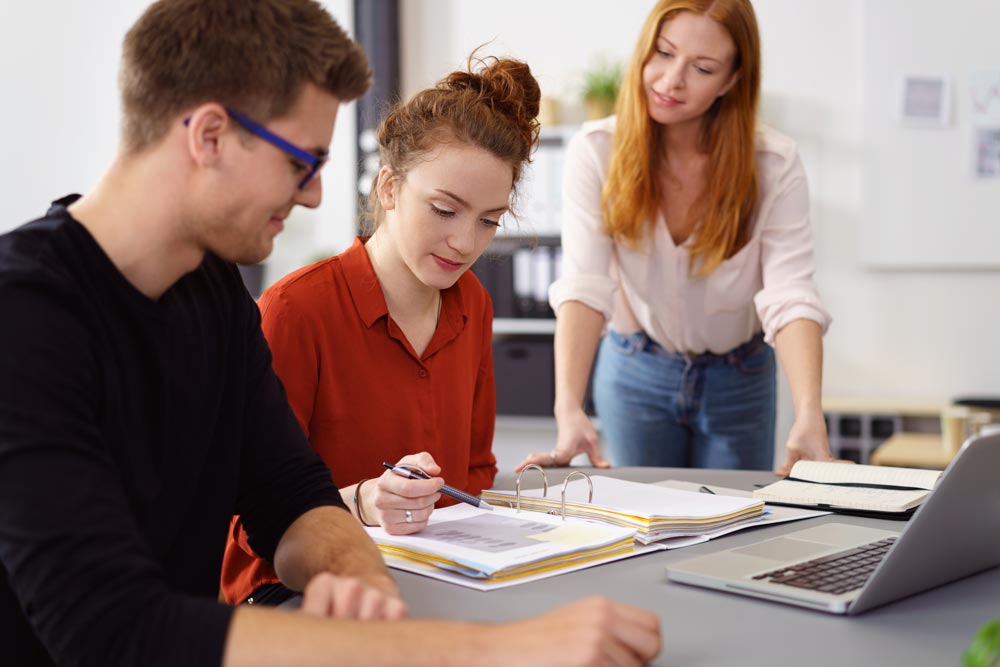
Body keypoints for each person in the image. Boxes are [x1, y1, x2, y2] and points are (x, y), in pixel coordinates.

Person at [0, 1, 661, 665]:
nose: (315, 196)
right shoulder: (24, 313)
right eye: (301, 163)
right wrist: (476, 648)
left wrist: (364, 582)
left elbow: (289, 497)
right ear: (209, 136)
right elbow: (108, 628)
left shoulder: (214, 293)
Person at [220, 55, 532, 607]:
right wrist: (363, 501)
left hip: (435, 580)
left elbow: (475, 474)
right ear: (389, 187)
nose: (464, 243)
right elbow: (247, 518)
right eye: (443, 209)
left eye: (488, 220)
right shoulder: (296, 309)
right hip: (293, 590)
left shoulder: (473, 305)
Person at [517, 0, 834, 477]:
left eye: (702, 68)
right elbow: (584, 286)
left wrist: (811, 412)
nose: (670, 81)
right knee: (640, 533)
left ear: (731, 80)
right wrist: (568, 406)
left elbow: (791, 295)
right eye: (663, 54)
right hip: (635, 372)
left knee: (734, 537)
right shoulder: (596, 151)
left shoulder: (774, 163)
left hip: (740, 377)